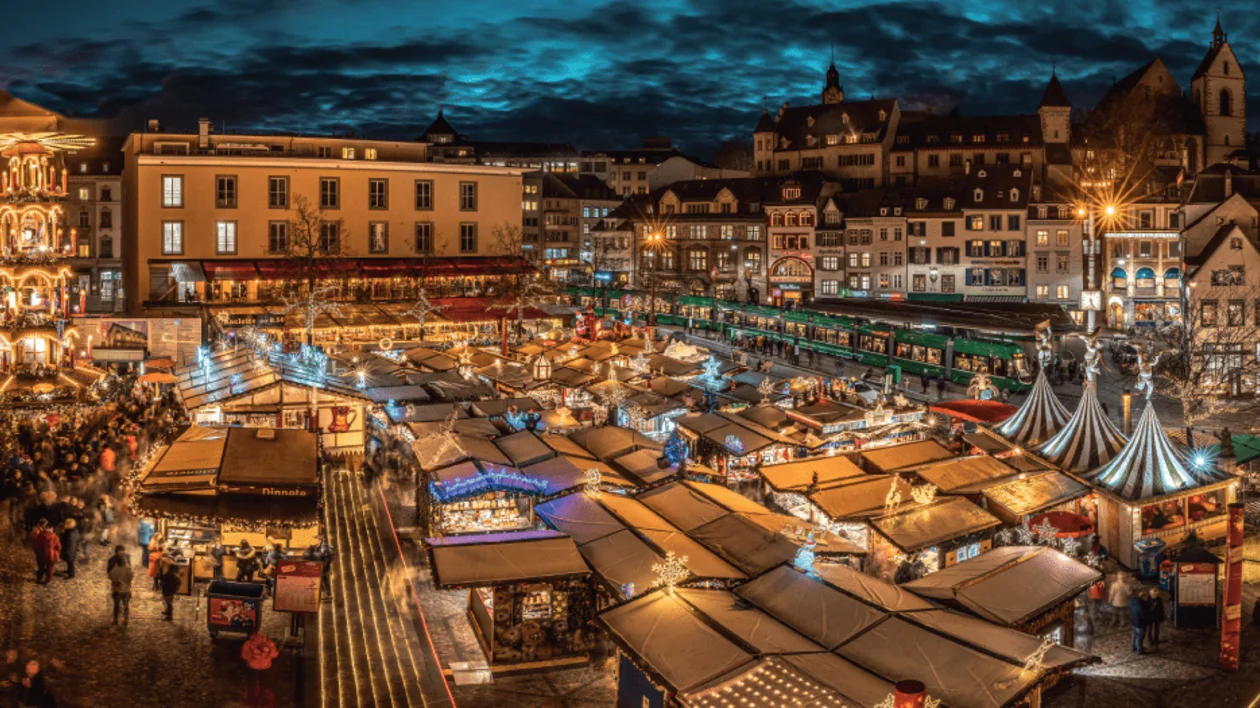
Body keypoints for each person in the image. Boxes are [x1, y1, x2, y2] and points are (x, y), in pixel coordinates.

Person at [30, 519, 61, 585]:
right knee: (50, 568)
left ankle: (39, 579)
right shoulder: (55, 537)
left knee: (41, 567)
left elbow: (37, 545)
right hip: (51, 555)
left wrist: (38, 551)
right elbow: (58, 547)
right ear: (51, 529)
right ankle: (48, 580)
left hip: (42, 554)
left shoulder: (40, 536)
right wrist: (56, 552)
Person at [109, 555, 134, 625]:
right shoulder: (128, 570)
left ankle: (115, 619)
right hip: (126, 590)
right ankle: (126, 619)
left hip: (117, 591)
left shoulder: (115, 570)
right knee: (126, 605)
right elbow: (131, 578)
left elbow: (110, 577)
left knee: (116, 605)